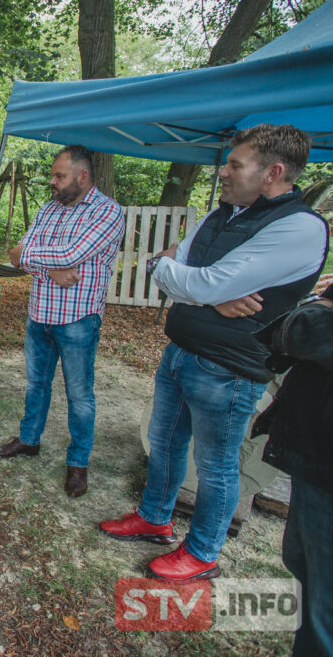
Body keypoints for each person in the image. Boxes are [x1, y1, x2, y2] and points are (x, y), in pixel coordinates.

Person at [100, 124, 328, 581]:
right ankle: (154, 517)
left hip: (230, 370)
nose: (223, 172)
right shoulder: (220, 214)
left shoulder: (300, 228)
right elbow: (170, 267)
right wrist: (192, 283)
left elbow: (197, 278)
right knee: (164, 446)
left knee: (216, 468)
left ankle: (202, 552)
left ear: (273, 172)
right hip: (181, 351)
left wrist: (191, 281)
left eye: (235, 164)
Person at [0, 145, 125, 499]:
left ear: (82, 177)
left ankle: (78, 463)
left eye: (59, 176)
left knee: (79, 395)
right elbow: (16, 253)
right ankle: (29, 440)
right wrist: (50, 267)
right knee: (37, 384)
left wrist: (31, 257)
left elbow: (69, 254)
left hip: (78, 319)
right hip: (40, 315)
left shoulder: (108, 212)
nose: (52, 181)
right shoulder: (48, 209)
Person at [251, 286, 333, 656]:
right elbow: (298, 325)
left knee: (324, 607)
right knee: (305, 572)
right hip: (314, 452)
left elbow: (307, 329)